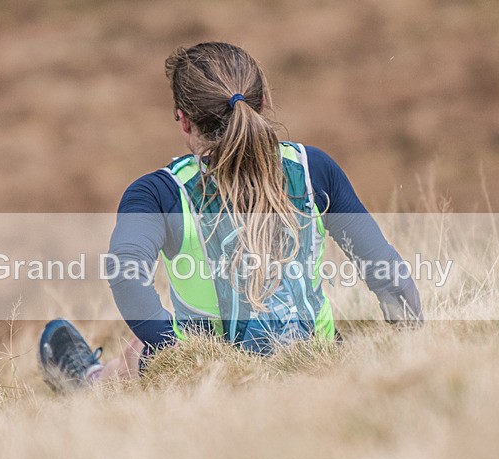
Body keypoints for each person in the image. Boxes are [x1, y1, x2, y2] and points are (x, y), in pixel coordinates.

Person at [39, 42, 422, 391]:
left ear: (183, 120)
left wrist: (179, 357)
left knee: (142, 347)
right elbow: (385, 270)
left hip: (215, 377)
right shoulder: (313, 168)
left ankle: (89, 383)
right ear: (263, 102)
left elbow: (127, 276)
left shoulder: (159, 193)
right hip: (318, 358)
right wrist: (411, 343)